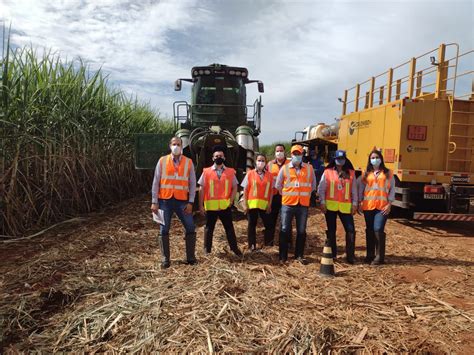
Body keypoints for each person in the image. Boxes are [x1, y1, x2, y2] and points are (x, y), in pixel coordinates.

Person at [151, 136, 197, 269]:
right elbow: (156, 182)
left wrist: (191, 202)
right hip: (164, 201)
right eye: (174, 144)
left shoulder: (188, 162)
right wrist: (154, 202)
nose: (176, 146)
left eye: (178, 144)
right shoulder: (162, 161)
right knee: (163, 229)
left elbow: (193, 184)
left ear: (182, 146)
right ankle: (165, 259)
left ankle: (190, 258)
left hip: (182, 201)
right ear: (170, 145)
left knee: (190, 227)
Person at [198, 146, 243, 256]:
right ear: (213, 158)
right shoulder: (206, 172)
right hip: (211, 206)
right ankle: (207, 250)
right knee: (209, 228)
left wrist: (231, 201)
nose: (219, 157)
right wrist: (200, 205)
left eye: (221, 156)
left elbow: (234, 187)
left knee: (229, 228)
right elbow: (201, 189)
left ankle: (234, 249)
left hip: (225, 206)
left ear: (224, 157)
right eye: (217, 156)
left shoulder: (230, 172)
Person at [275, 144, 316, 264]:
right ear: (291, 155)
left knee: (301, 230)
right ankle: (283, 257)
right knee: (284, 229)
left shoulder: (309, 168)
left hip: (302, 205)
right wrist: (287, 195)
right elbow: (278, 185)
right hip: (287, 204)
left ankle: (299, 255)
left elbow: (313, 185)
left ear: (302, 155)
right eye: (295, 154)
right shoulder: (285, 168)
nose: (297, 156)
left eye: (299, 154)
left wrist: (306, 194)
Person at [317, 150, 358, 264]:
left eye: (342, 159)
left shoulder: (351, 173)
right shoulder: (327, 172)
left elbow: (354, 190)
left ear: (345, 160)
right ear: (334, 160)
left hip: (345, 207)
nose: (340, 161)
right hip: (330, 207)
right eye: (338, 159)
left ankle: (350, 256)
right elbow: (321, 189)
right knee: (331, 231)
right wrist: (322, 202)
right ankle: (332, 254)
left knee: (350, 230)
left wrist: (355, 204)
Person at [358, 149, 395, 265]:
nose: (375, 160)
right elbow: (360, 188)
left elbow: (392, 189)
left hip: (382, 207)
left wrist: (390, 204)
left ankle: (379, 257)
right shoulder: (365, 173)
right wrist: (359, 202)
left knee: (378, 229)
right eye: (372, 158)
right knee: (369, 230)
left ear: (381, 159)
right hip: (368, 206)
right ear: (369, 160)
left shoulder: (388, 173)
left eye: (377, 157)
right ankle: (370, 255)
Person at [241, 153, 273, 250]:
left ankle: (268, 244)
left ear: (266, 163)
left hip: (264, 205)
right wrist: (245, 205)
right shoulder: (250, 173)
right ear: (255, 161)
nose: (261, 162)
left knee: (268, 225)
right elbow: (245, 190)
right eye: (259, 160)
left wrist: (269, 205)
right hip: (252, 205)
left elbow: (271, 191)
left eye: (263, 160)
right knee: (252, 225)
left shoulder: (270, 175)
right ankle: (252, 245)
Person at [266, 144, 290, 245]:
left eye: (281, 150)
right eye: (277, 151)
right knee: (271, 219)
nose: (279, 152)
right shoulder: (270, 164)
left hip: (287, 195)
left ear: (284, 152)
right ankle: (269, 242)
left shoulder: (290, 164)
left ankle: (286, 243)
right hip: (273, 195)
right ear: (275, 153)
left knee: (285, 221)